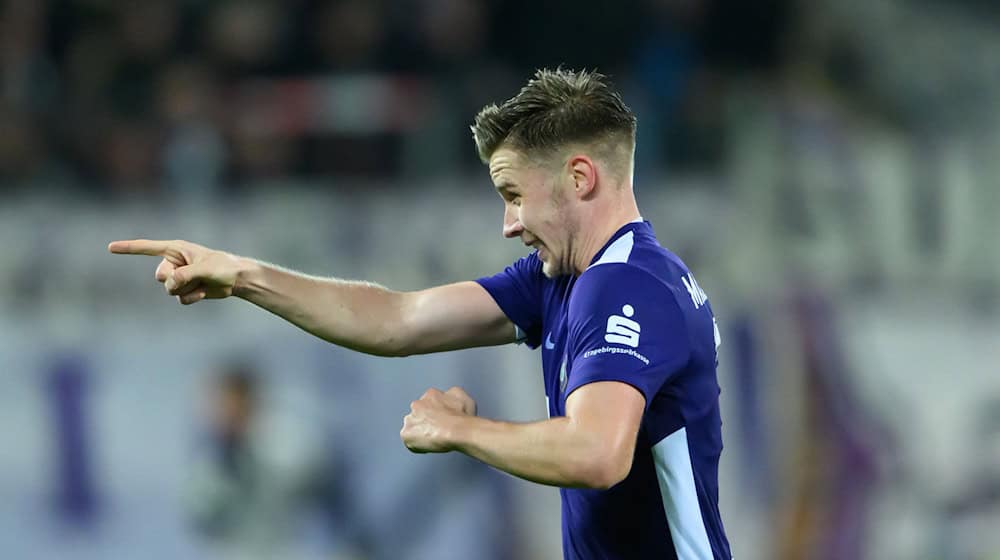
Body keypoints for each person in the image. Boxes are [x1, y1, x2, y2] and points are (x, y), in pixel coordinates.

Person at [109, 68, 732, 560]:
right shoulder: (568, 281)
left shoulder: (622, 287)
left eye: (514, 196)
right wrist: (245, 275)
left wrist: (461, 430)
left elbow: (596, 453)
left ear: (579, 178)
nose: (508, 223)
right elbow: (397, 318)